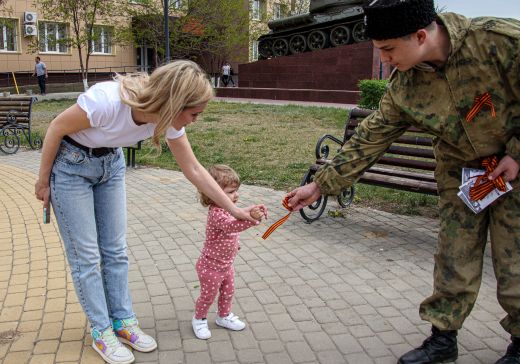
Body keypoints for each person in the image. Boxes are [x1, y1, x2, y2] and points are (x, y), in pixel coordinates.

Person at [286, 1, 520, 363]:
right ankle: (443, 339)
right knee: (454, 256)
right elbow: (371, 136)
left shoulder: (498, 41)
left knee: (514, 260)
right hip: (461, 176)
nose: (385, 59)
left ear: (422, 35)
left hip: (514, 171)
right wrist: (321, 185)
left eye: (389, 50)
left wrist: (517, 153)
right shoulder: (406, 85)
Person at [35, 60, 263, 364]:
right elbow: (57, 127)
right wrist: (42, 181)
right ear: (174, 103)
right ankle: (102, 331)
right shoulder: (106, 101)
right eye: (194, 113)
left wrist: (234, 210)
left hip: (110, 166)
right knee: (87, 257)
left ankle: (123, 322)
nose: (195, 121)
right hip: (70, 168)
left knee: (116, 251)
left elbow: (193, 168)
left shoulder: (169, 120)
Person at [192, 164, 266, 340]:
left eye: (236, 191)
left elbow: (231, 231)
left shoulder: (226, 208)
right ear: (214, 194)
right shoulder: (217, 213)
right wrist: (252, 220)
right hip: (211, 266)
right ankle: (199, 319)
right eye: (231, 192)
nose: (236, 195)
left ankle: (223, 316)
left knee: (228, 292)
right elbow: (231, 226)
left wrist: (236, 243)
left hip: (226, 265)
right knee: (208, 296)